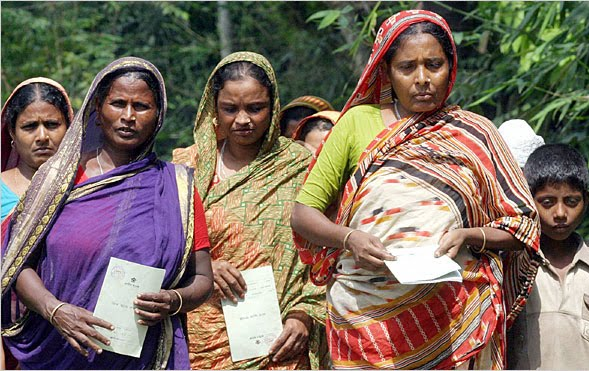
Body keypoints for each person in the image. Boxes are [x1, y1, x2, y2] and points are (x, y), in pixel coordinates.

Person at [291, 10, 541, 369]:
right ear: (387, 72)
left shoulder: (476, 134)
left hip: (453, 320)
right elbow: (303, 213)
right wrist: (350, 239)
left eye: (433, 65)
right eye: (407, 68)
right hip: (366, 318)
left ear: (450, 67)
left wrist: (469, 235)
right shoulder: (357, 123)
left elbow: (524, 224)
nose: (422, 79)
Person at [1, 57, 214, 369]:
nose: (128, 116)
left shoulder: (177, 189)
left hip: (138, 357)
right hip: (56, 351)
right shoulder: (59, 178)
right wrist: (55, 310)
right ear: (98, 109)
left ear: (158, 116)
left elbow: (203, 278)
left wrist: (175, 300)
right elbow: (16, 261)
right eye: (117, 103)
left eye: (141, 106)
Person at [172, 51, 327, 369]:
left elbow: (327, 252)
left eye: (256, 108)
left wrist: (304, 314)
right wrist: (202, 266)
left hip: (281, 338)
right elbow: (157, 244)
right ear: (213, 109)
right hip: (202, 340)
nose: (242, 120)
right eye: (230, 109)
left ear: (273, 108)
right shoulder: (187, 167)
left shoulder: (301, 165)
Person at [0, 77, 73, 370]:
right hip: (8, 336)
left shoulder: (85, 189)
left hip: (73, 332)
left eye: (52, 125)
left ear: (70, 130)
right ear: (12, 135)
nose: (42, 136)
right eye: (30, 127)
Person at [507, 144, 589, 370]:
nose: (560, 213)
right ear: (529, 200)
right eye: (547, 202)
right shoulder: (511, 269)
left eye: (571, 201)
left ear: (585, 200)